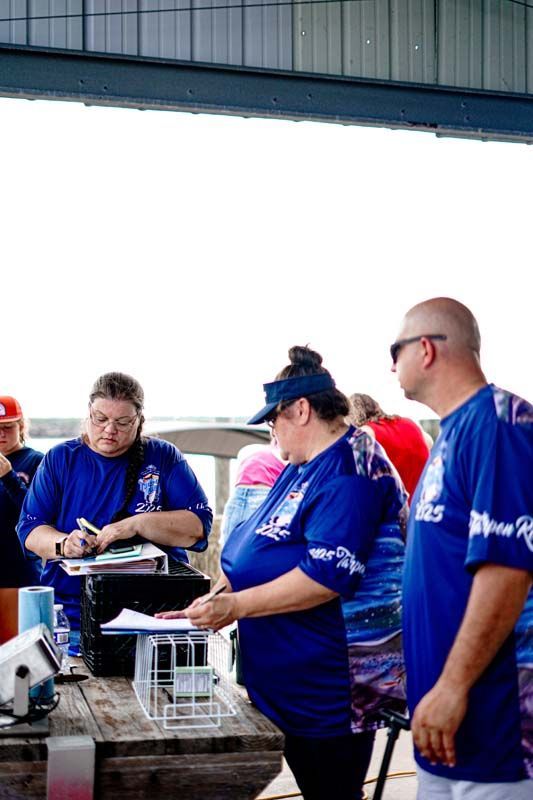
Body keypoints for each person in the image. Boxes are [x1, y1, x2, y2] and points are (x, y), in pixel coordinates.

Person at [157, 346, 408, 800]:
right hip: (284, 686)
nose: (271, 433)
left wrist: (233, 607)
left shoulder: (353, 470)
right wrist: (214, 598)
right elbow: (252, 550)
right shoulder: (301, 466)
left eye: (273, 421)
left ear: (301, 409)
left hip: (328, 692)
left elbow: (324, 577)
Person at [392, 297, 532, 798]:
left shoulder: (499, 425)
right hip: (444, 725)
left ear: (425, 349)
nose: (391, 365)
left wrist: (452, 687)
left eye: (397, 349)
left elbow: (507, 569)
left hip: (497, 723)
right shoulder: (451, 434)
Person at [18, 372, 212, 650]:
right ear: (88, 413)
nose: (110, 430)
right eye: (101, 419)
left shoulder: (164, 456)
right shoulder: (60, 458)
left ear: (139, 421)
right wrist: (64, 544)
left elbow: (198, 527)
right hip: (74, 619)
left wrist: (137, 524)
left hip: (155, 616)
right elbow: (30, 529)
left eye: (122, 422)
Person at [348, 392, 431, 501]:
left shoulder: (365, 434)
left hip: (399, 510)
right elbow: (429, 444)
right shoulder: (410, 423)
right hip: (425, 504)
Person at [0, 396, 43, 587]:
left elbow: (37, 512)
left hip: (20, 567)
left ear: (21, 426)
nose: (1, 433)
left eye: (8, 426)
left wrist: (9, 477)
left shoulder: (37, 461)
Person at [220, 440, 285, 546]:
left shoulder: (285, 451)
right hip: (242, 495)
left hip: (253, 494)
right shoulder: (263, 449)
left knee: (231, 551)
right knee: (231, 552)